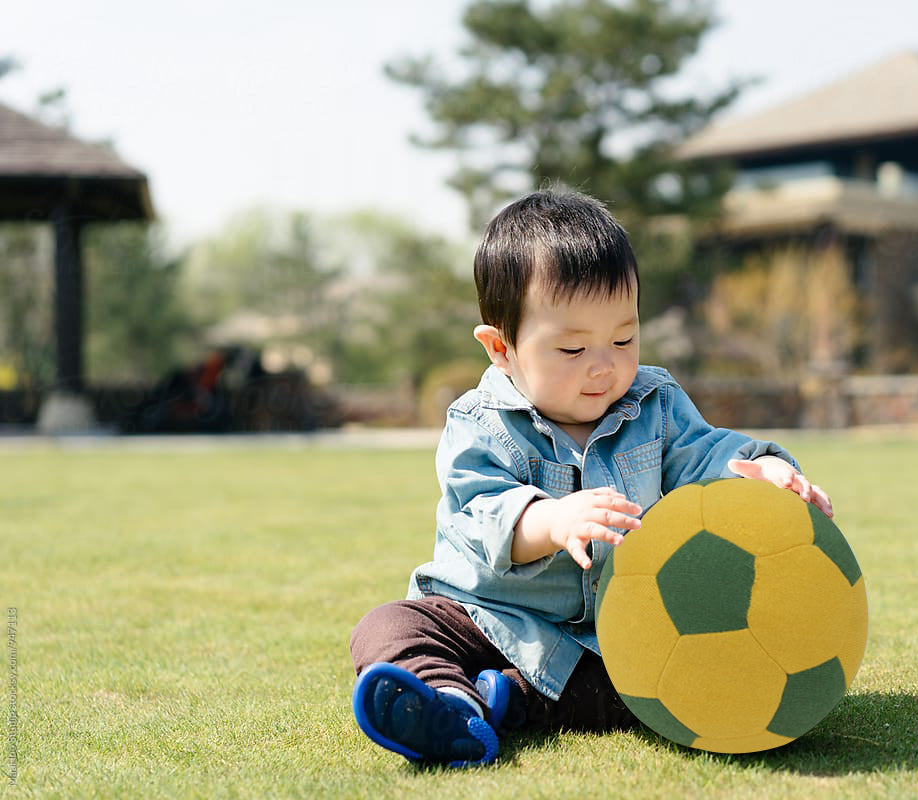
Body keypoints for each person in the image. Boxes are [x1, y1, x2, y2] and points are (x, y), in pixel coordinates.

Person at [349, 187, 833, 767]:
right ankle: (448, 699)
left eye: (623, 338)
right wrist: (551, 519)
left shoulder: (654, 402)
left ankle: (510, 701)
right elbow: (482, 519)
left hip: (615, 633)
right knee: (388, 625)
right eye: (573, 348)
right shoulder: (478, 424)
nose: (604, 365)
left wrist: (767, 473)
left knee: (648, 686)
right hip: (493, 617)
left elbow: (707, 456)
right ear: (501, 347)